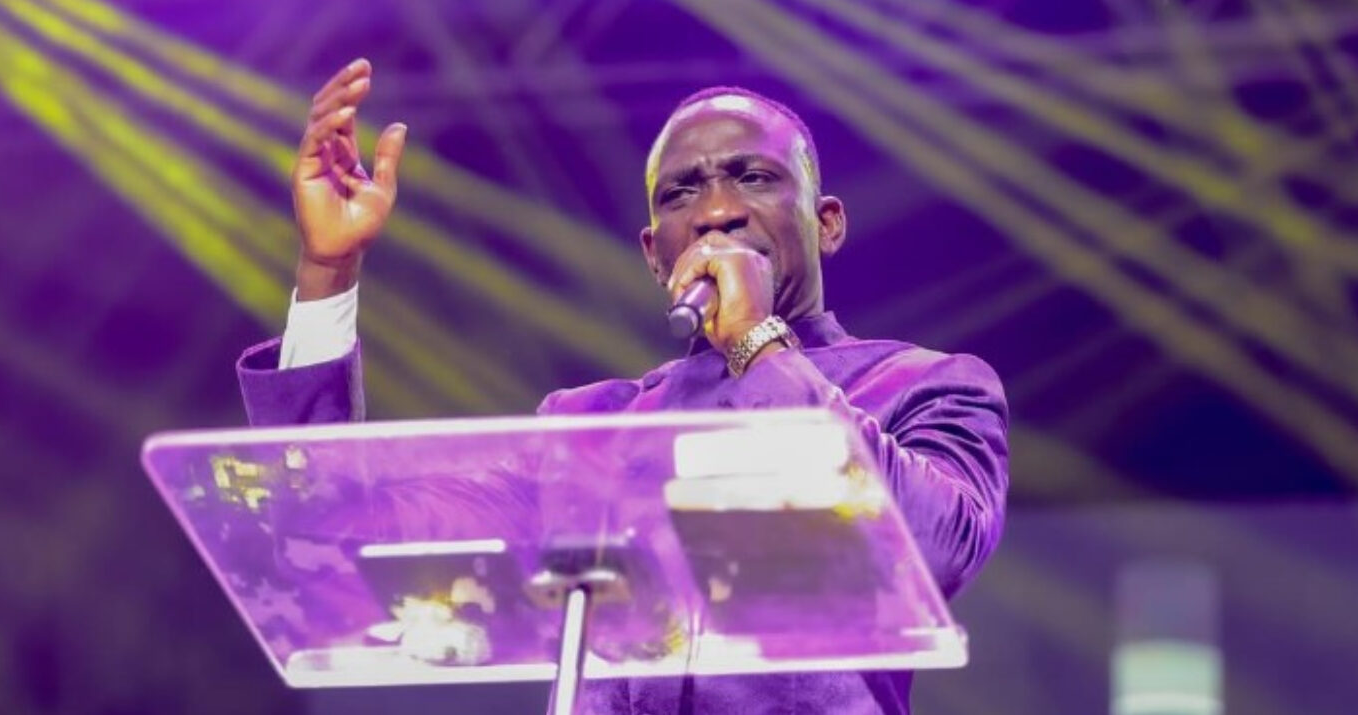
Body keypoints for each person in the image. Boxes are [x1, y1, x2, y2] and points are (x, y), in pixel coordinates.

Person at [237, 58, 1008, 715]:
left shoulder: (921, 386)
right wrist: (328, 273)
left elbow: (932, 550)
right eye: (680, 194)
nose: (716, 211)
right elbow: (336, 542)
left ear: (826, 222)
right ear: (653, 252)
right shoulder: (586, 427)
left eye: (752, 177)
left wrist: (755, 342)